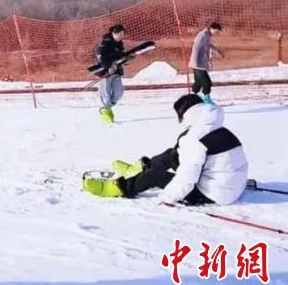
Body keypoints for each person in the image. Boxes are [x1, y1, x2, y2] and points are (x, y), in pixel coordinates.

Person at [83, 94, 248, 205]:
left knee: (157, 176)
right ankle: (140, 170)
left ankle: (122, 187)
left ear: (186, 115)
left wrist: (166, 198)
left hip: (214, 194)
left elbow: (187, 177)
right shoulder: (216, 128)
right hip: (231, 187)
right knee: (171, 154)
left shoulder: (194, 138)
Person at [95, 24, 126, 125]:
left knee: (119, 92)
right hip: (105, 73)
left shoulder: (120, 44)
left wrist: (125, 60)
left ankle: (107, 108)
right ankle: (106, 114)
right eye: (119, 34)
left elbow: (121, 57)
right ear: (113, 33)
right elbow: (100, 56)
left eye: (122, 34)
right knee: (106, 94)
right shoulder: (105, 43)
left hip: (116, 72)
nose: (121, 36)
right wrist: (108, 66)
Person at [190, 22, 224, 104]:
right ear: (211, 28)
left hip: (200, 63)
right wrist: (196, 61)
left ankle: (191, 98)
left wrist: (217, 51)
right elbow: (196, 47)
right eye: (216, 31)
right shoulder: (202, 35)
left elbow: (209, 45)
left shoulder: (207, 35)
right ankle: (206, 99)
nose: (216, 33)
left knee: (198, 82)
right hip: (197, 64)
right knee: (207, 82)